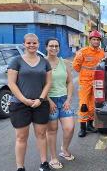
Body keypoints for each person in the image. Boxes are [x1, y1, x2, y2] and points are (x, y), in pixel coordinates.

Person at [7, 33, 52, 171]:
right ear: (24, 44)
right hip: (20, 105)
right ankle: (20, 167)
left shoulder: (45, 61)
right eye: (29, 43)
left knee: (41, 134)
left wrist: (40, 99)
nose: (32, 45)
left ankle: (44, 163)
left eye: (34, 43)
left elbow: (48, 83)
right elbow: (11, 83)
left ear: (38, 44)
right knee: (21, 137)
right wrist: (24, 100)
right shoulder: (16, 61)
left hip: (40, 104)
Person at [45, 38, 75, 169]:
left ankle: (64, 148)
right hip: (48, 100)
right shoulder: (42, 63)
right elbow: (40, 85)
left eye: (56, 46)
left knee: (69, 127)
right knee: (52, 131)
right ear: (46, 47)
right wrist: (48, 100)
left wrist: (68, 99)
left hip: (63, 100)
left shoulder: (64, 63)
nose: (54, 48)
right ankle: (53, 157)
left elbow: (69, 82)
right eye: (51, 46)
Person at [73, 30, 105, 137]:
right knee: (84, 105)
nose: (96, 42)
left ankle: (89, 125)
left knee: (92, 104)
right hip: (85, 82)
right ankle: (82, 128)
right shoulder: (83, 52)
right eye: (94, 39)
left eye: (97, 40)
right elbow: (76, 66)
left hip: (96, 82)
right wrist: (85, 75)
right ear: (90, 40)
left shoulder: (101, 52)